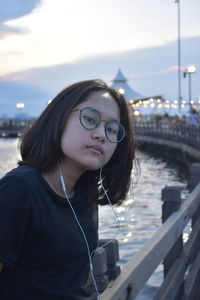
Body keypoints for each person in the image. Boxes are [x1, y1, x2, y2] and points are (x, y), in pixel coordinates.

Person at [0, 79, 137, 299]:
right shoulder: (20, 190)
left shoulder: (84, 195)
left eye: (112, 129)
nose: (101, 134)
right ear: (60, 118)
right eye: (90, 119)